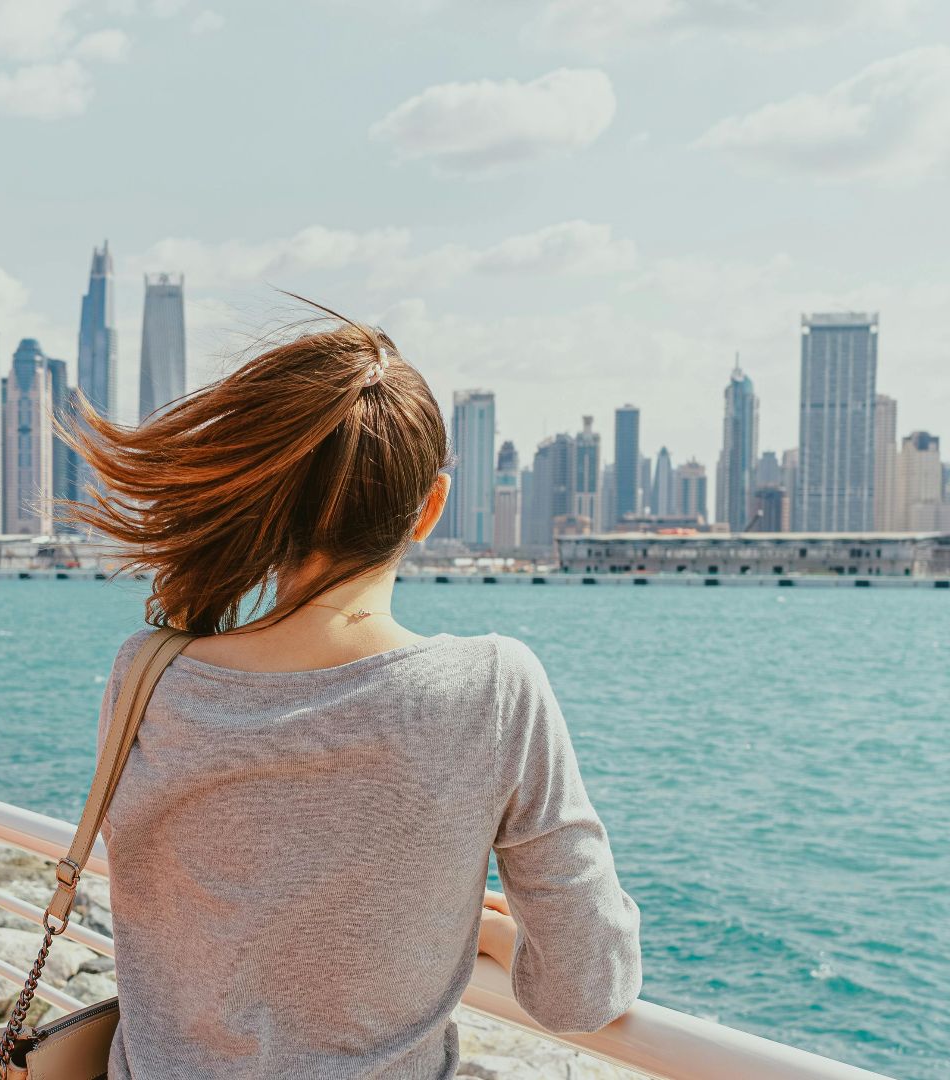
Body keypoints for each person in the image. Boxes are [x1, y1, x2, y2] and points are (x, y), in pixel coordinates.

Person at [61, 307, 641, 1079]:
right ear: (429, 509)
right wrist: (493, 935)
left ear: (265, 499)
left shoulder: (148, 677)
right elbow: (584, 990)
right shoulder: (493, 688)